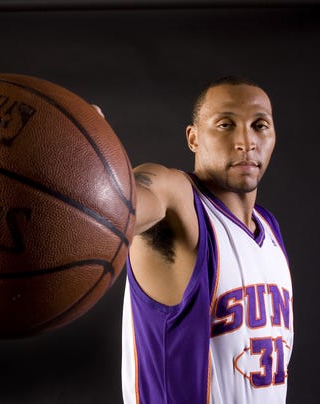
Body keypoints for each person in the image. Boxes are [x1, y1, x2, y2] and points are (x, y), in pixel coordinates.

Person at [118, 76, 294, 403]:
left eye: (260, 125)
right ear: (193, 138)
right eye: (226, 125)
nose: (246, 140)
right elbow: (126, 203)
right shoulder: (180, 205)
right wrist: (89, 177)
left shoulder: (268, 229)